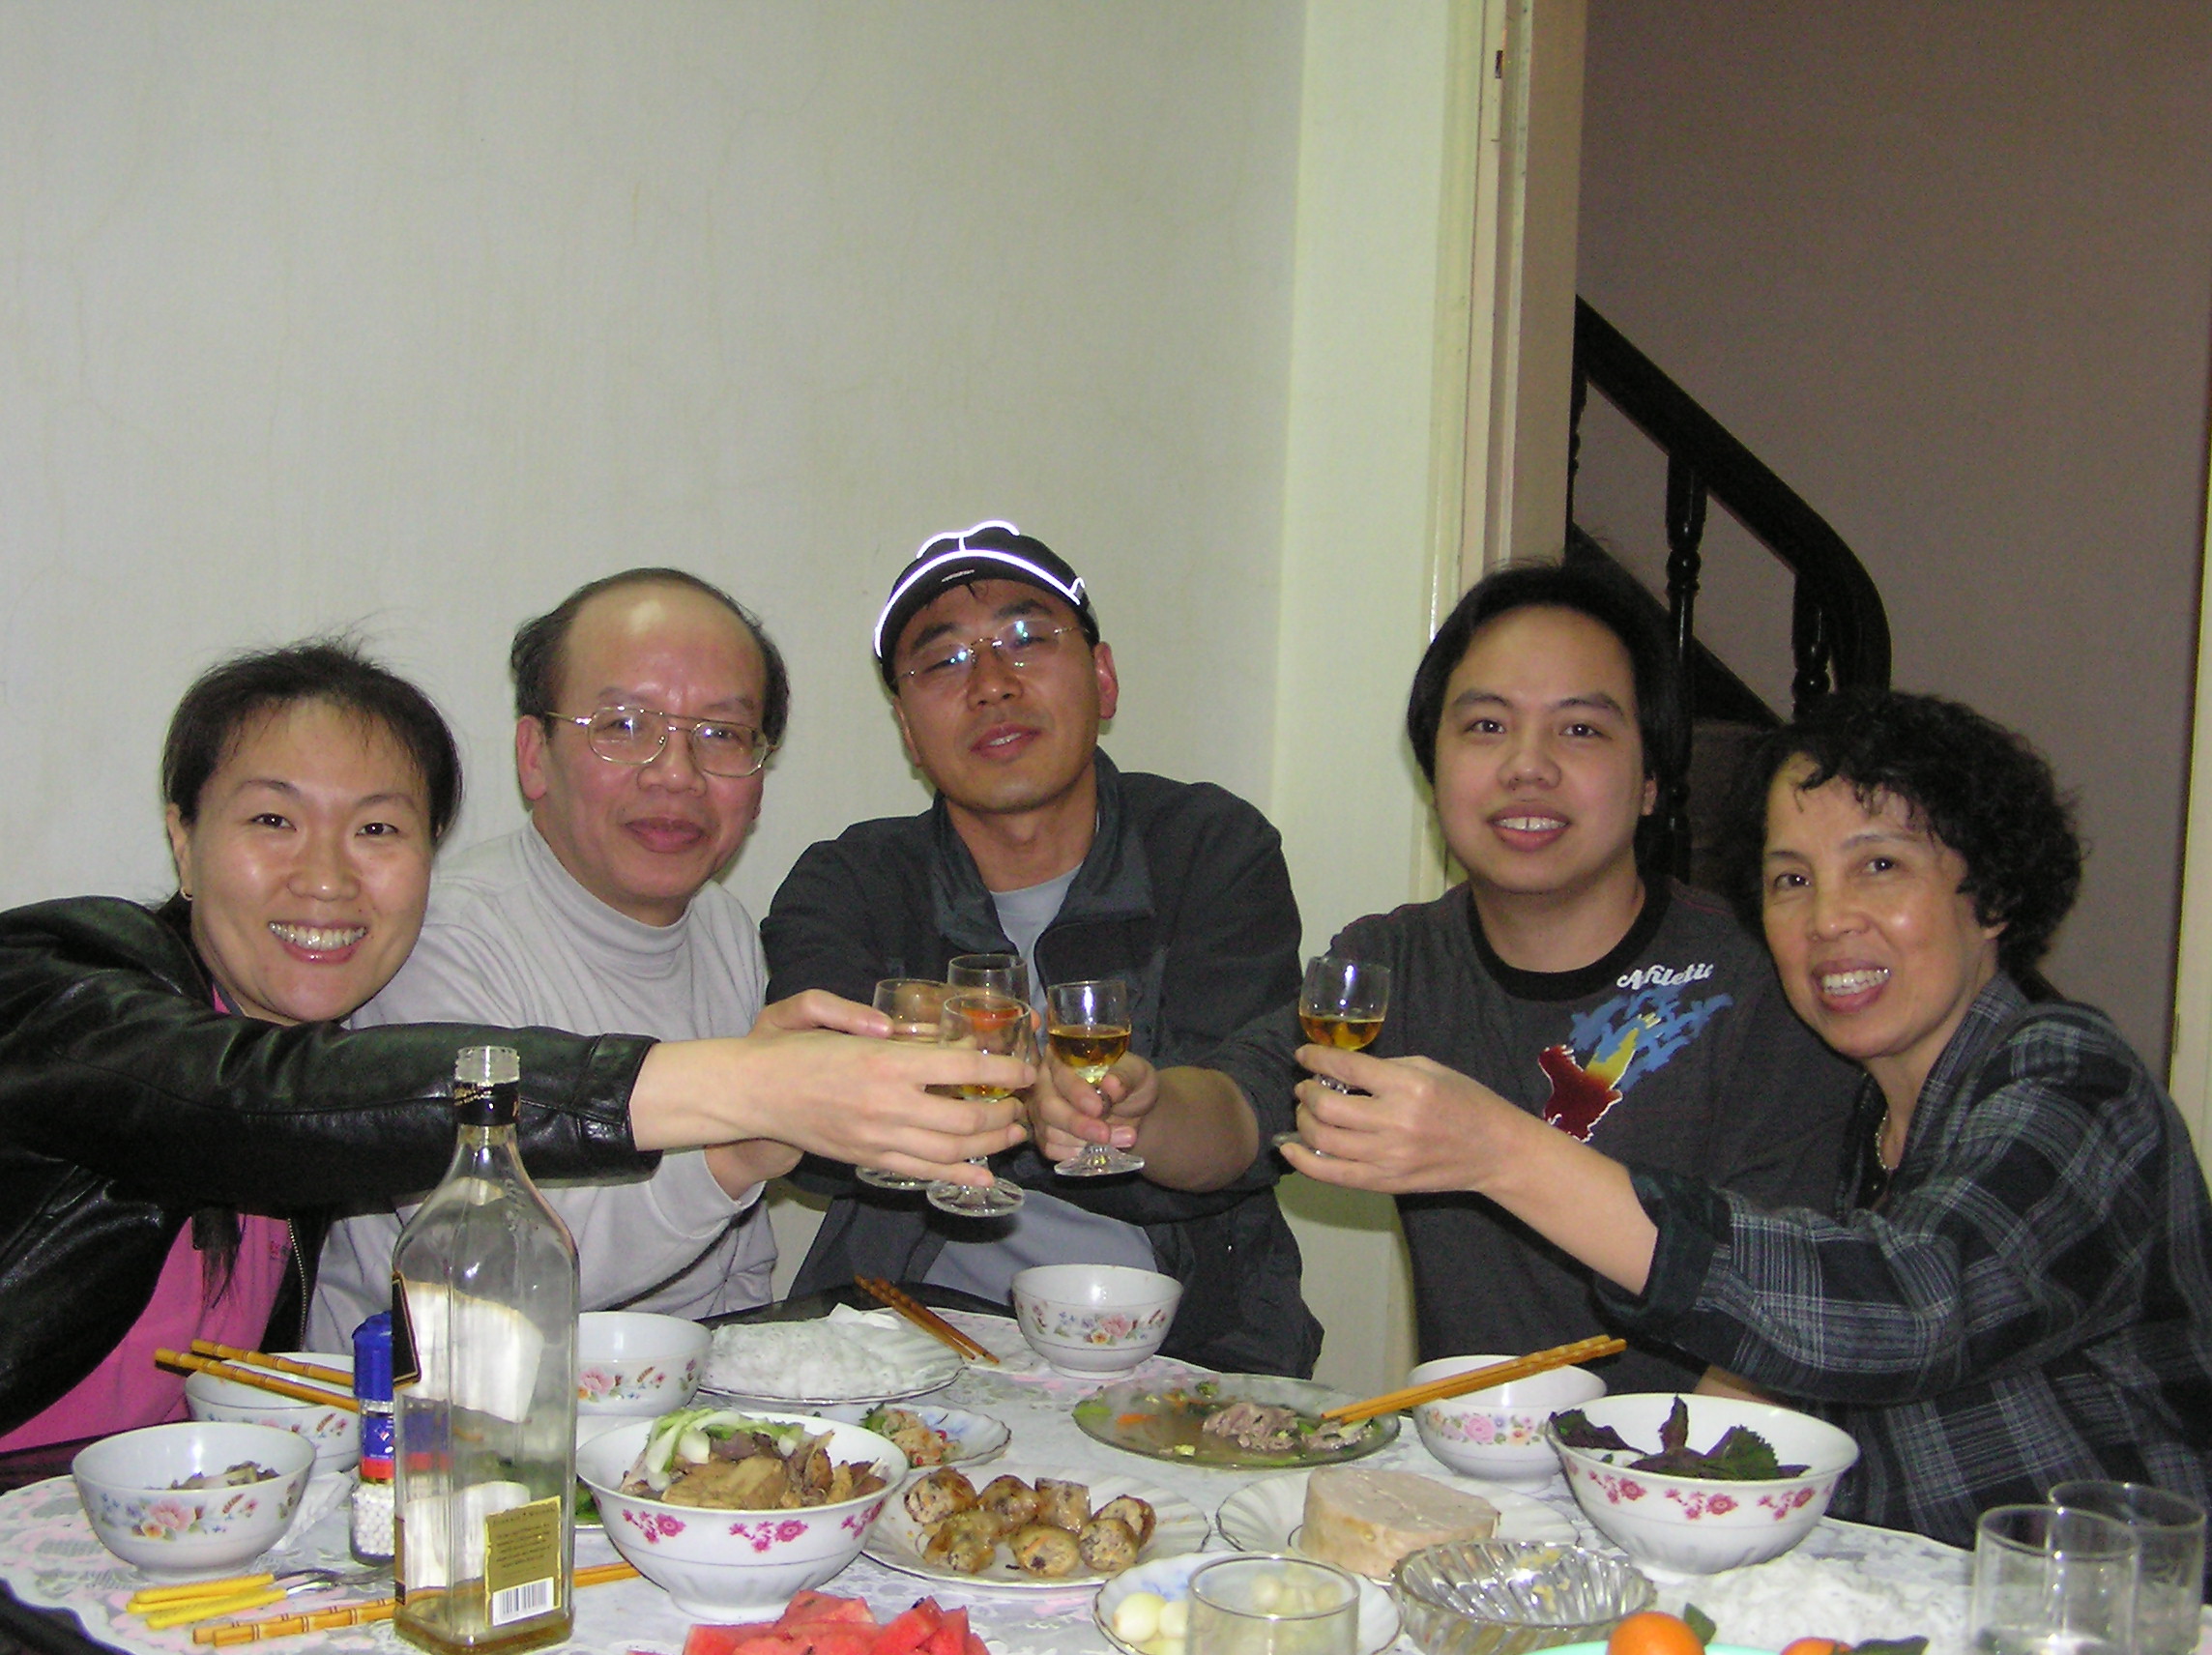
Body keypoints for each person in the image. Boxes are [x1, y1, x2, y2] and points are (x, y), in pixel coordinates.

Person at [0, 641, 1029, 1445]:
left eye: (377, 830)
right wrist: (747, 1085)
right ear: (183, 838)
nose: (326, 876)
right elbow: (254, 1103)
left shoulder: (339, 1041)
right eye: (272, 820)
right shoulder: (55, 981)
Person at [1289, 685, 2212, 1548]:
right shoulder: (1861, 1122)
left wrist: (1502, 1151)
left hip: (2108, 1609)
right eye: (1790, 880)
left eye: (1880, 866)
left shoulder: (2072, 1079)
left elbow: (1907, 1306)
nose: (1829, 919)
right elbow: (1780, 1370)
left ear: (1995, 895)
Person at [1226, 559, 1862, 1393]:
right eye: (1487, 726)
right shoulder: (1396, 961)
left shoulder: (1762, 984)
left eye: (1581, 730)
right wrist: (1134, 1109)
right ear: (1433, 767)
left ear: (1651, 782)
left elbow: (1791, 1313)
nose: (1527, 766)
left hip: (1689, 1461)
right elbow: (1244, 1100)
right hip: (1472, 1453)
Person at [763, 519, 1321, 1377]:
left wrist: (1134, 1112)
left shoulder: (1209, 848)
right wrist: (1028, 1099)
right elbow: (813, 1129)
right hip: (914, 1340)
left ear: (1103, 678)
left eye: (1026, 638)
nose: (991, 683)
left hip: (1190, 1347)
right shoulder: (850, 884)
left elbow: (1257, 1105)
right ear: (908, 729)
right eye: (944, 661)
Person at [312, 571, 795, 1347]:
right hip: (429, 1403)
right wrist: (736, 1154)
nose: (676, 773)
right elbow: (496, 1268)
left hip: (671, 1398)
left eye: (722, 734)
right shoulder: (440, 936)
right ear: (534, 757)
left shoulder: (724, 926)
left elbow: (737, 1257)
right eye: (624, 725)